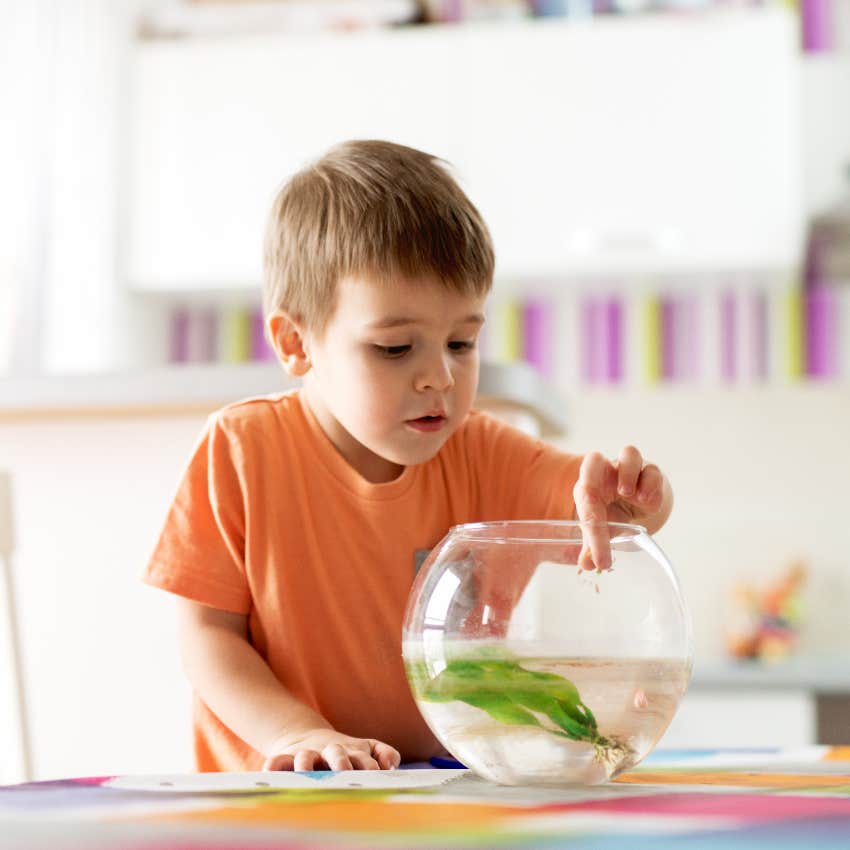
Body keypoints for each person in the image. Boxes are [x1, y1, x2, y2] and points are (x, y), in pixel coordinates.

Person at [144, 140, 673, 773]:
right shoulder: (239, 453)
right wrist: (296, 734)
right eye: (396, 348)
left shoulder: (483, 450)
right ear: (296, 342)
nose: (440, 378)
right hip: (279, 796)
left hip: (437, 792)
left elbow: (594, 509)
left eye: (461, 342)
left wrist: (627, 501)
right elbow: (206, 638)